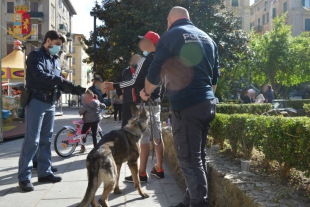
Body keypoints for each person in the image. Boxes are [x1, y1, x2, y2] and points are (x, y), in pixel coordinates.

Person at [140, 7, 219, 207]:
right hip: (207, 103)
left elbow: (155, 71)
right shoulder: (208, 38)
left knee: (188, 159)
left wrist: (146, 92)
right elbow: (214, 79)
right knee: (197, 156)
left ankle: (199, 203)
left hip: (187, 106)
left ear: (169, 20)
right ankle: (189, 200)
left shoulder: (170, 36)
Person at [18, 30, 86, 192]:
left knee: (46, 138)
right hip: (36, 101)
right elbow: (40, 75)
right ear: (47, 40)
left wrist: (73, 89)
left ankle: (44, 172)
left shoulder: (55, 60)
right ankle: (24, 177)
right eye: (56, 44)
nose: (58, 48)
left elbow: (58, 82)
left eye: (60, 46)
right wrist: (62, 81)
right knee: (32, 139)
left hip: (50, 103)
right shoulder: (35, 56)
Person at [104, 31, 165, 182]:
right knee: (158, 136)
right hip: (156, 103)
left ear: (150, 42)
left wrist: (114, 85)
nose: (140, 44)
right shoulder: (163, 59)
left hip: (143, 103)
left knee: (143, 139)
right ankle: (159, 168)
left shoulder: (146, 60)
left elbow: (134, 81)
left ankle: (141, 173)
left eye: (143, 40)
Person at [117, 54, 143, 128]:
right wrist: (119, 94)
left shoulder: (142, 71)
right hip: (127, 99)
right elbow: (117, 83)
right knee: (126, 120)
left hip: (139, 100)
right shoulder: (125, 71)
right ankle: (124, 137)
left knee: (139, 121)